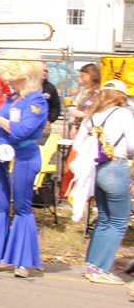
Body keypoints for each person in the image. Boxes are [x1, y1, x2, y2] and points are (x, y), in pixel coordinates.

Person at [0, 51, 48, 278]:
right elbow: (3, 125)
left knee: (22, 207)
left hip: (23, 157)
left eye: (14, 77)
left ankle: (23, 261)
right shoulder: (13, 98)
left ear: (26, 75)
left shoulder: (36, 100)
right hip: (3, 155)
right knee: (0, 206)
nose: (10, 82)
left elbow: (23, 129)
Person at [69, 79, 134, 285]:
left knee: (104, 218)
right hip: (116, 166)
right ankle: (102, 269)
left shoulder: (92, 115)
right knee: (119, 221)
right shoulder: (123, 113)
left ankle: (92, 264)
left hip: (95, 169)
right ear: (121, 96)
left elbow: (78, 144)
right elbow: (132, 144)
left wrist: (92, 155)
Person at [68, 63, 101, 138]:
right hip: (80, 128)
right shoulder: (83, 93)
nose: (78, 78)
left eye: (81, 75)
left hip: (91, 132)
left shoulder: (98, 93)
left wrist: (83, 115)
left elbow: (99, 114)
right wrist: (74, 126)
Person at [40, 62, 61, 142]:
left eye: (46, 71)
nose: (44, 73)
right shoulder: (29, 86)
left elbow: (56, 107)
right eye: (42, 70)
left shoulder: (50, 88)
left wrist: (49, 121)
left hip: (45, 126)